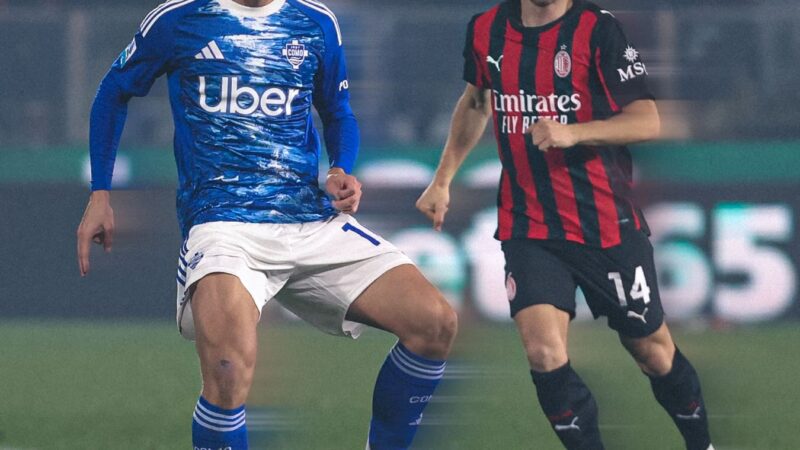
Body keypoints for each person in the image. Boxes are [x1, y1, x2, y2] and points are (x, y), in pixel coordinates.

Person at [76, 1, 457, 448]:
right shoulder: (180, 18)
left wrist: (341, 168)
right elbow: (113, 91)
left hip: (310, 220)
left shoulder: (315, 22)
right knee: (227, 370)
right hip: (222, 225)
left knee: (436, 323)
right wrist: (100, 193)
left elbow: (338, 110)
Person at [416, 0, 713, 449]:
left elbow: (647, 119)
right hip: (528, 223)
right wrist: (442, 181)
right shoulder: (486, 30)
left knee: (652, 351)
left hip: (605, 223)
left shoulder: (598, 30)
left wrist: (574, 132)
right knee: (544, 353)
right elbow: (476, 100)